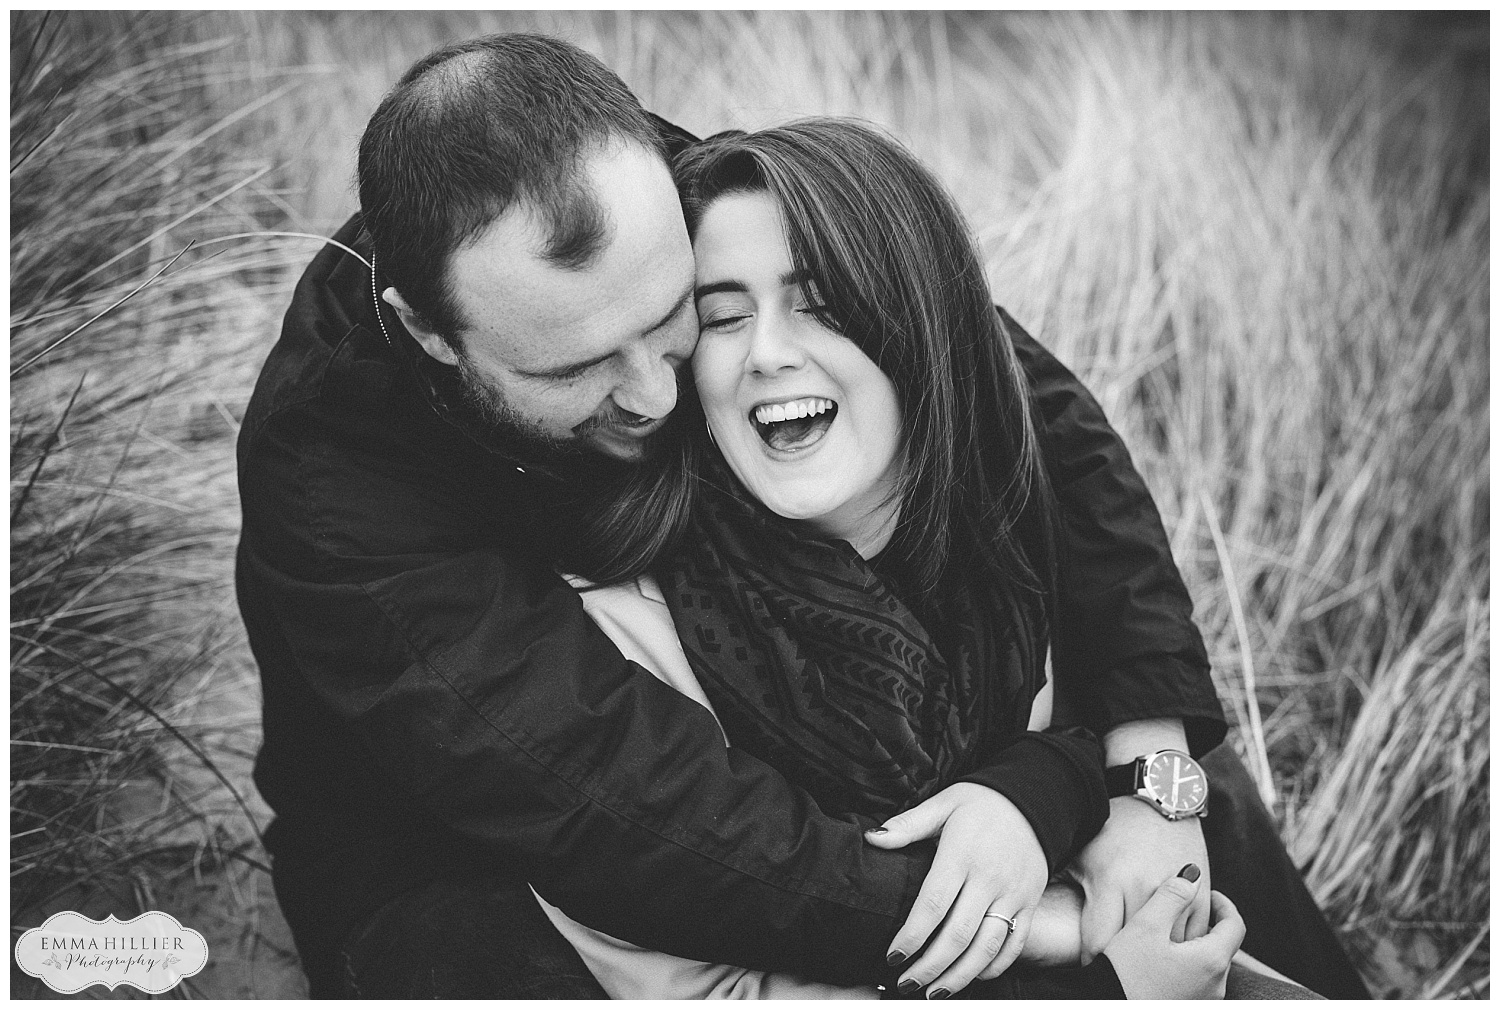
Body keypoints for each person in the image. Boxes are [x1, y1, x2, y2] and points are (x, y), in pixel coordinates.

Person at [234, 31, 1369, 999]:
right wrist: (1062, 937)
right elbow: (621, 810)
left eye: (678, 312)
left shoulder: (670, 191)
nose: (658, 393)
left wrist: (1144, 771)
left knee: (1200, 802)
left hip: (752, 700)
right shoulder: (332, 485)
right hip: (453, 844)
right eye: (577, 366)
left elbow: (1021, 404)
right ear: (430, 332)